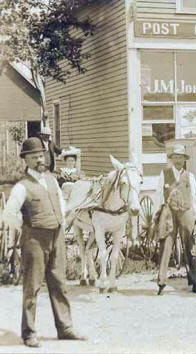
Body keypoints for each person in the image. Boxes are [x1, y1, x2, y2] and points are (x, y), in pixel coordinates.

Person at [2, 137, 86, 348]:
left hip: (56, 237)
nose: (39, 159)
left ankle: (65, 328)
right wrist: (26, 226)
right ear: (26, 160)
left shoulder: (51, 180)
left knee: (59, 284)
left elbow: (61, 204)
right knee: (32, 287)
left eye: (41, 155)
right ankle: (29, 332)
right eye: (34, 156)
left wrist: (63, 220)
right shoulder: (22, 187)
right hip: (35, 240)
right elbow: (8, 214)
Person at [154, 144, 196, 296]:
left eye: (180, 158)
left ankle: (195, 282)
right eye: (175, 157)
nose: (178, 160)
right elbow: (158, 195)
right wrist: (158, 215)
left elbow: (195, 198)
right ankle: (162, 283)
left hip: (186, 212)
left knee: (190, 247)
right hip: (169, 213)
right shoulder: (165, 174)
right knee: (166, 246)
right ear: (172, 159)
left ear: (184, 160)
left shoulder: (190, 176)